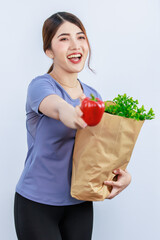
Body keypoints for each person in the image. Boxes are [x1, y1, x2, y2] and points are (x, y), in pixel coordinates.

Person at [14, 11, 131, 240]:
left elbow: (100, 151)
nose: (75, 45)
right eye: (63, 38)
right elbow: (58, 107)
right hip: (36, 205)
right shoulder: (40, 86)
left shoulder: (93, 95)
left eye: (80, 37)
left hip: (80, 202)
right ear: (49, 51)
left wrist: (121, 176)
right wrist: (70, 113)